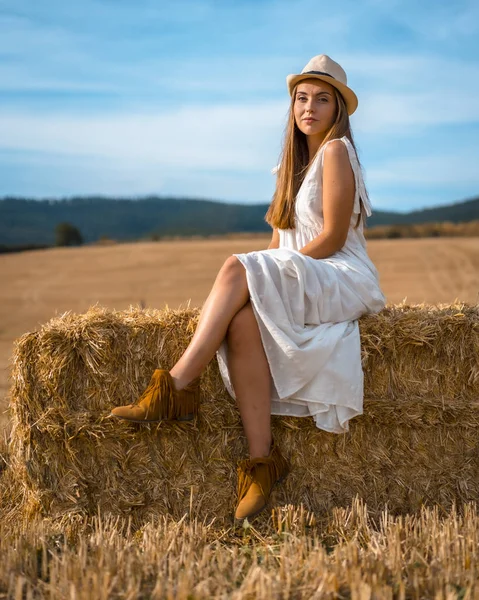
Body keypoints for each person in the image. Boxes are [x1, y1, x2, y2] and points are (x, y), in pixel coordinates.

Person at [110, 54, 387, 522]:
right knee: (240, 323)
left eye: (322, 99)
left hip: (339, 274)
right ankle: (262, 464)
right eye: (302, 98)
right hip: (306, 275)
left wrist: (269, 271)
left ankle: (178, 386)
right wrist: (266, 275)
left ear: (338, 109)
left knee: (238, 267)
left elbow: (334, 237)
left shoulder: (337, 151)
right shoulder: (290, 167)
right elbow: (275, 245)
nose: (309, 108)